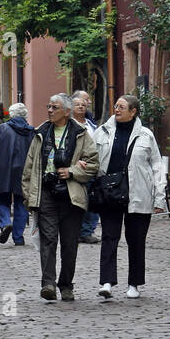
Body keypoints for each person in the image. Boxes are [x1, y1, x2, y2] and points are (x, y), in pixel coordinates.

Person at [21, 93, 98, 301]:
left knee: (70, 243)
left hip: (71, 194)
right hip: (46, 193)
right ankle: (48, 284)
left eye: (54, 108)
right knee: (48, 239)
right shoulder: (41, 133)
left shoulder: (81, 133)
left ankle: (66, 285)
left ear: (66, 111)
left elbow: (93, 164)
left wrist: (72, 172)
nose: (50, 111)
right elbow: (29, 167)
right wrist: (29, 195)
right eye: (49, 106)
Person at [92, 94, 167, 299]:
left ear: (133, 111)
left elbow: (157, 167)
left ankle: (134, 284)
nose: (116, 109)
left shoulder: (146, 135)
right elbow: (90, 157)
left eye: (122, 107)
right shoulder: (102, 132)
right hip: (110, 193)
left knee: (136, 240)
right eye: (116, 106)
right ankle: (107, 282)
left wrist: (159, 198)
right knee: (109, 236)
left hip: (139, 193)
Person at [0, 102, 36, 245]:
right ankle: (18, 237)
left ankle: (5, 222)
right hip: (24, 170)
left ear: (11, 114)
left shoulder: (2, 128)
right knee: (21, 203)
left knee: (0, 199)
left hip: (4, 168)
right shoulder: (31, 131)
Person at [73, 92, 100, 245]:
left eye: (83, 104)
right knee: (77, 202)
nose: (82, 106)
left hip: (92, 167)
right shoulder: (68, 124)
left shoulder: (91, 124)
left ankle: (87, 231)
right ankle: (75, 231)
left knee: (92, 201)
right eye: (78, 104)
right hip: (77, 169)